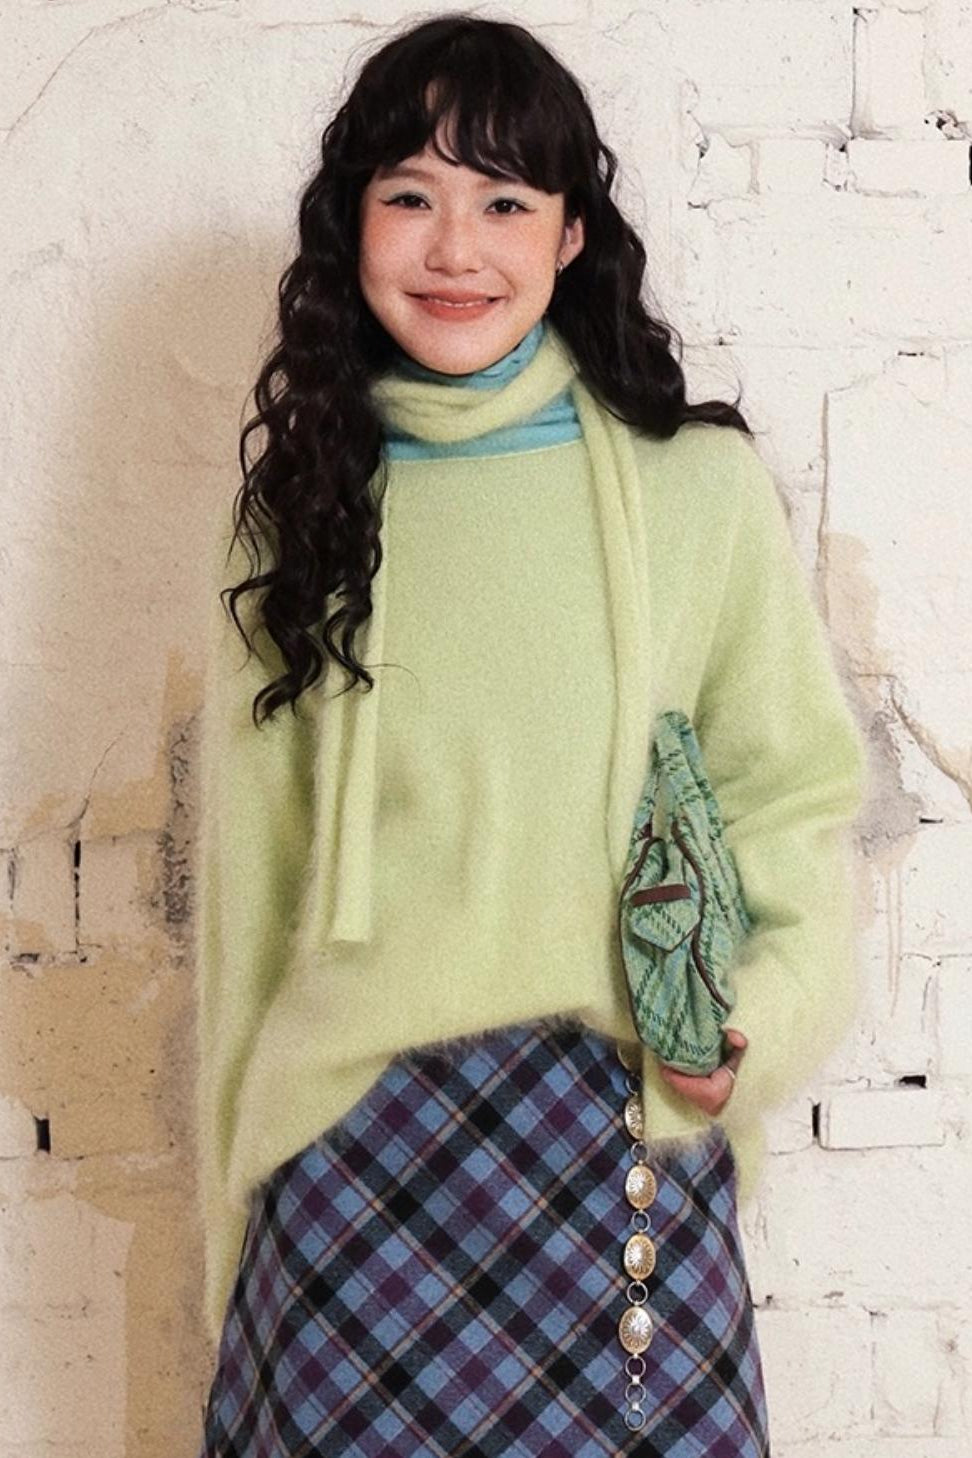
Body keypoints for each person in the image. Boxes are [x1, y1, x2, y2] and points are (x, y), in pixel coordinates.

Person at [193, 14, 868, 1457]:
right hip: (346, 1155)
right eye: (412, 195)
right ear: (352, 223)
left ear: (571, 236)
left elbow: (791, 802)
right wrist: (229, 1217)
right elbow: (250, 899)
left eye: (505, 201)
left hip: (615, 1134)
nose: (457, 248)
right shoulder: (302, 507)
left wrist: (745, 1030)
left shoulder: (697, 491)